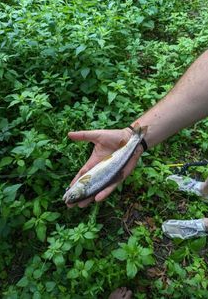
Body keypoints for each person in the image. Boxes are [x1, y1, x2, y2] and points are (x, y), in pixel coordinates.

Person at [67, 50, 208, 298]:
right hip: (128, 147)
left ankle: (205, 225)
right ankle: (203, 189)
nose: (71, 192)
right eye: (73, 194)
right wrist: (135, 138)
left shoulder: (83, 185)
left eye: (72, 194)